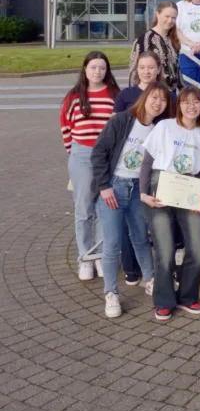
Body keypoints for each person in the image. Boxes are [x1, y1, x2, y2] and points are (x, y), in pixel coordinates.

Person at [91, 83, 172, 318]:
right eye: (154, 98)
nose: (158, 103)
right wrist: (104, 187)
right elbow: (98, 153)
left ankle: (150, 279)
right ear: (144, 98)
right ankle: (111, 293)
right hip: (114, 187)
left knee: (140, 237)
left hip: (139, 190)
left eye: (163, 100)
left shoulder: (159, 128)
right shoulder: (121, 121)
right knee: (113, 242)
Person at [140, 87, 200, 322]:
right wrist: (143, 193)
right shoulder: (165, 127)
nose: (191, 107)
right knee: (165, 249)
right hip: (161, 185)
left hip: (189, 189)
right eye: (186, 102)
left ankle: (187, 296)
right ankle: (163, 301)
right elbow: (147, 162)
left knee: (196, 248)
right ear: (179, 105)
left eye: (196, 102)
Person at [113, 50, 175, 286]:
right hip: (128, 168)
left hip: (158, 166)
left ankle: (161, 265)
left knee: (153, 217)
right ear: (136, 70)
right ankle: (131, 267)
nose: (147, 71)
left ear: (159, 69)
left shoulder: (167, 95)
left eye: (151, 67)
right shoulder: (126, 95)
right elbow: (117, 129)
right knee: (131, 221)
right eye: (142, 68)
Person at [60, 51, 120, 280]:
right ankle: (84, 258)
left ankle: (102, 256)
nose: (97, 72)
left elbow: (120, 125)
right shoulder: (74, 96)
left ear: (107, 71)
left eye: (102, 68)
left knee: (105, 209)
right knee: (84, 210)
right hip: (82, 155)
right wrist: (74, 155)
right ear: (85, 69)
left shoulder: (115, 94)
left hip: (107, 156)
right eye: (93, 67)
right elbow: (65, 127)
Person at [129, 1, 182, 92]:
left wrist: (182, 89)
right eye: (167, 16)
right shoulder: (145, 40)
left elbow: (176, 70)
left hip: (170, 95)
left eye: (173, 18)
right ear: (157, 14)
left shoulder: (173, 39)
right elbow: (135, 72)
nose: (170, 20)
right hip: (150, 94)